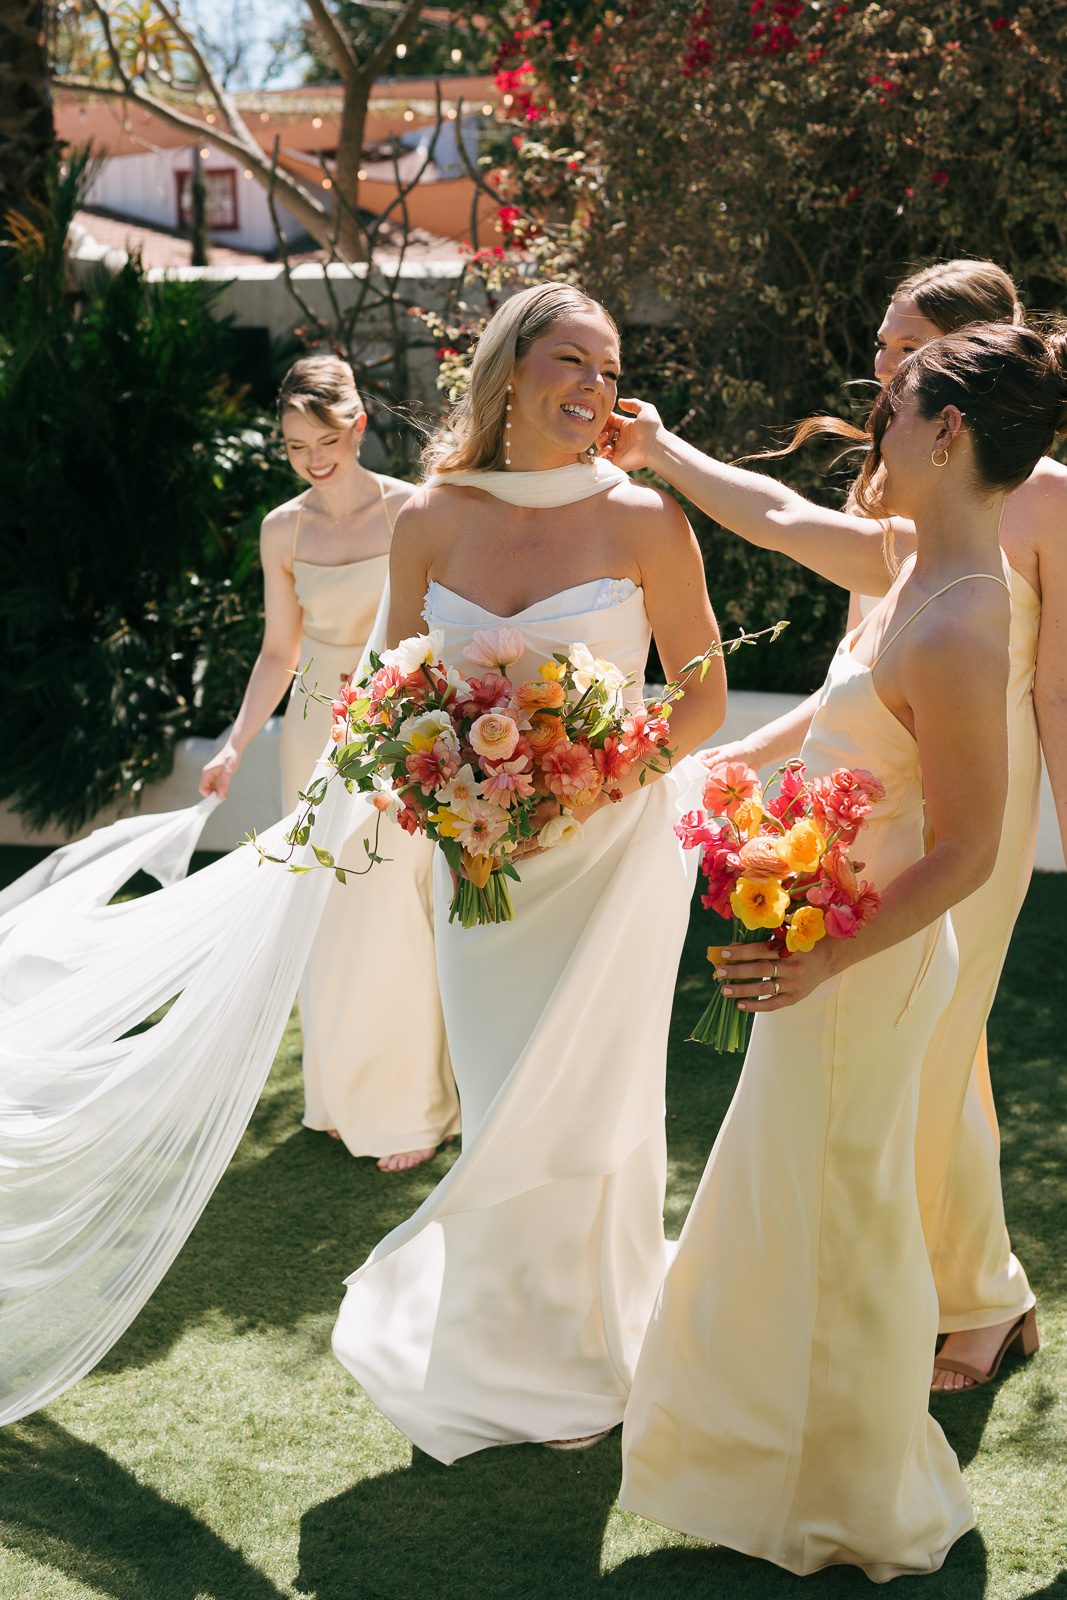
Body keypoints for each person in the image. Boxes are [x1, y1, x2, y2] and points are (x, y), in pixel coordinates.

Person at [620, 322, 1067, 1579]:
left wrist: (824, 957)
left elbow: (973, 848)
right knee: (794, 1200)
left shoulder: (971, 615)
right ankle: (773, 1458)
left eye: (896, 403)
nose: (874, 421)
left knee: (845, 1212)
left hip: (854, 966)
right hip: (819, 945)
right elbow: (778, 544)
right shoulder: (917, 565)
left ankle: (854, 1491)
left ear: (947, 433)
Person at [330, 281, 728, 1462]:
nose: (593, 390)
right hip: (479, 868)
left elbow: (698, 696)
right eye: (571, 361)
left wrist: (583, 784)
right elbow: (385, 695)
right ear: (508, 368)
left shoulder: (646, 518)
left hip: (609, 860)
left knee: (593, 1104)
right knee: (504, 1095)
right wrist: (452, 796)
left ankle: (590, 1350)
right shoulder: (429, 516)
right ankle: (491, 1350)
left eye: (608, 371)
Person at [200, 356, 458, 1172]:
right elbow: (279, 651)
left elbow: (441, 627)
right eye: (292, 445)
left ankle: (416, 1108)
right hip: (313, 731)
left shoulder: (410, 509)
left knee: (391, 906)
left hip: (394, 728)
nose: (311, 457)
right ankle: (343, 1099)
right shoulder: (283, 528)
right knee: (329, 914)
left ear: (358, 424)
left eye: (324, 438)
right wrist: (237, 740)